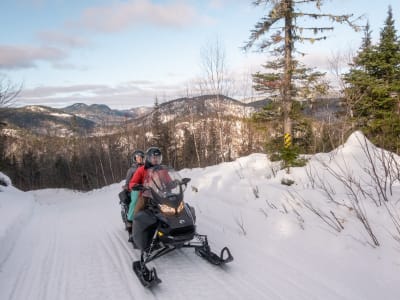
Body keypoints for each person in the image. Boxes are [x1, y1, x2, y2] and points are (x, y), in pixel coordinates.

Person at [124, 149, 144, 235]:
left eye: (141, 157)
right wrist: (129, 187)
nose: (139, 159)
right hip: (136, 189)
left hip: (146, 188)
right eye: (137, 157)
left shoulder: (146, 167)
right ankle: (130, 221)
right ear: (135, 159)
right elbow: (128, 182)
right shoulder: (131, 170)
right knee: (135, 201)